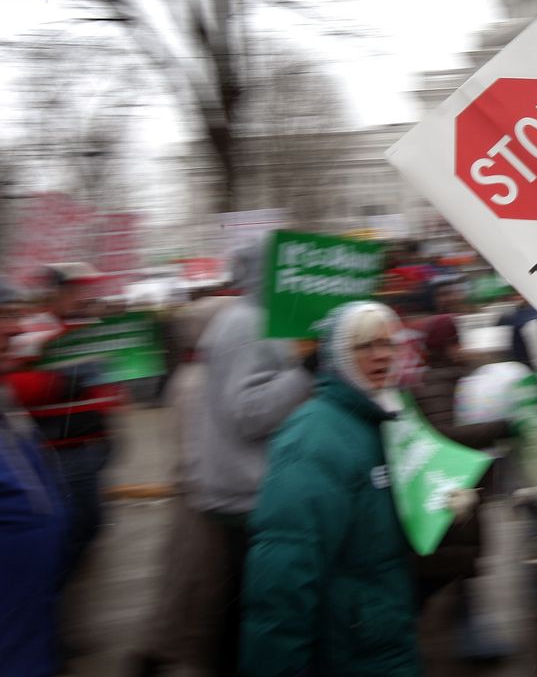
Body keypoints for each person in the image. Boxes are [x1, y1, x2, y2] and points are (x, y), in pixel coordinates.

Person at [240, 301, 420, 677]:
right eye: (364, 346)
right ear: (337, 352)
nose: (381, 355)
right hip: (346, 652)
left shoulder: (386, 417)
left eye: (388, 344)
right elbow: (281, 580)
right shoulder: (312, 437)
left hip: (384, 638)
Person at [189, 239, 316, 675]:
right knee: (253, 616)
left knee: (243, 615)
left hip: (243, 493)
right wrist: (306, 373)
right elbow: (248, 413)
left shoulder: (253, 318)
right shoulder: (247, 322)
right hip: (247, 497)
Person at [126, 293, 236, 676]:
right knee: (200, 589)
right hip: (203, 503)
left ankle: (162, 648)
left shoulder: (193, 376)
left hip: (195, 500)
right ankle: (169, 653)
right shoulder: (202, 381)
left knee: (185, 587)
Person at [7, 263, 123, 585]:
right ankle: (49, 587)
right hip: (61, 447)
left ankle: (51, 586)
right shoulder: (33, 331)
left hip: (93, 442)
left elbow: (104, 382)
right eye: (74, 290)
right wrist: (56, 382)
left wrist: (111, 398)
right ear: (55, 293)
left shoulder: (88, 328)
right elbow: (14, 383)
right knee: (78, 523)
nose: (82, 296)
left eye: (84, 290)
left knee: (89, 521)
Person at [0, 277, 68, 677]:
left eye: (13, 314)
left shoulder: (5, 400)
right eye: (2, 317)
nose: (16, 328)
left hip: (32, 639)